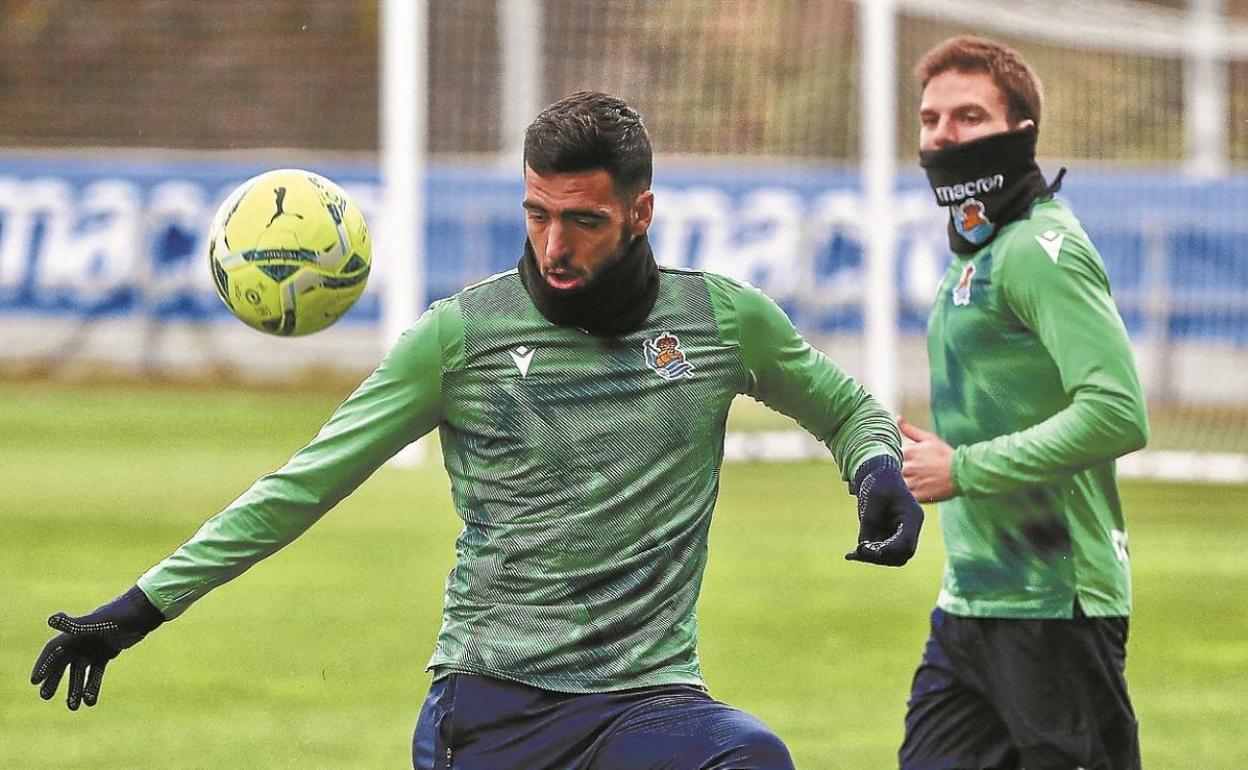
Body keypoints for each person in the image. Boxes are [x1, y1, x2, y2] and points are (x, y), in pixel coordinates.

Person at [32, 91, 924, 770]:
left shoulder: (720, 322)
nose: (553, 245)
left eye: (583, 220)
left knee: (750, 759)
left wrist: (875, 467)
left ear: (640, 213)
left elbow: (848, 409)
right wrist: (140, 608)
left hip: (649, 703)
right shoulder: (460, 338)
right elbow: (302, 486)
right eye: (537, 214)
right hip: (496, 710)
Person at [896, 37, 1149, 770]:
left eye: (968, 116)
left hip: (1057, 606)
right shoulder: (975, 253)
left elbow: (1117, 411)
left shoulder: (1041, 249)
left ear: (1021, 131)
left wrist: (963, 469)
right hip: (970, 603)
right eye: (931, 119)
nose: (944, 135)